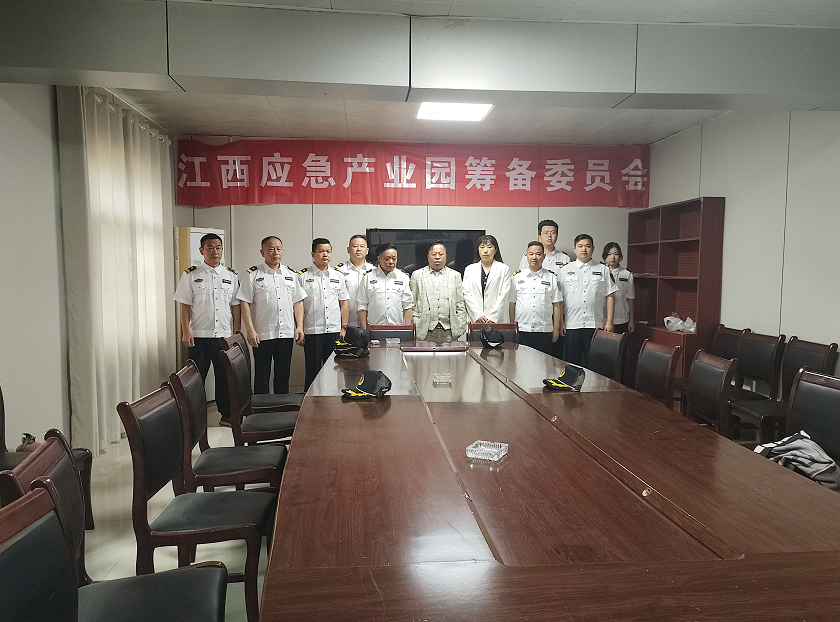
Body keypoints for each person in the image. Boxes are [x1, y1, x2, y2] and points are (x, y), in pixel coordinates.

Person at [174, 233, 240, 425]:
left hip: (223, 336)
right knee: (195, 379)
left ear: (222, 250)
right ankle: (194, 419)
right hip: (199, 336)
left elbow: (235, 305)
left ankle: (226, 414)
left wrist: (236, 331)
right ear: (201, 250)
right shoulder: (191, 275)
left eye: (218, 248)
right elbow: (185, 305)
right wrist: (186, 331)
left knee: (225, 377)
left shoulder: (231, 275)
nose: (215, 252)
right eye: (210, 248)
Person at [237, 236, 305, 395]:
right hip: (262, 334)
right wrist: (250, 330)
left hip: (285, 333)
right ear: (263, 252)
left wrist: (299, 327)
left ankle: (282, 406)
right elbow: (244, 303)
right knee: (262, 375)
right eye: (271, 249)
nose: (276, 253)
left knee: (283, 375)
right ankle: (262, 407)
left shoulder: (291, 274)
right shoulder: (253, 274)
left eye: (279, 249)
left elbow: (298, 302)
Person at [557, 234, 618, 367]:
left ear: (593, 249)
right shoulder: (565, 270)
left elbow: (610, 296)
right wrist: (561, 322)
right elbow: (559, 299)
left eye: (587, 246)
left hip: (595, 324)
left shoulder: (603, 269)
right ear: (574, 249)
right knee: (572, 364)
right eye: (580, 246)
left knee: (595, 364)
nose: (584, 249)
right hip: (572, 324)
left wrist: (609, 322)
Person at [298, 238, 349, 391]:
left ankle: (332, 401)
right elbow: (298, 304)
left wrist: (343, 327)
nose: (325, 254)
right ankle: (311, 402)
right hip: (313, 331)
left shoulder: (338, 276)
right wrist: (299, 328)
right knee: (312, 371)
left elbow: (344, 303)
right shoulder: (302, 276)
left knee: (334, 370)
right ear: (313, 254)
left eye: (328, 251)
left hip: (333, 330)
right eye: (321, 251)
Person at [509, 241, 563, 355]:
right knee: (521, 362)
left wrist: (556, 328)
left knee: (543, 363)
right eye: (531, 254)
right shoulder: (516, 277)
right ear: (526, 256)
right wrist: (512, 328)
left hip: (544, 330)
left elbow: (557, 304)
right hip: (522, 329)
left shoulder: (552, 277)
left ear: (544, 256)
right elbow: (512, 304)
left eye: (538, 254)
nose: (534, 257)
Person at [410, 240, 468, 342]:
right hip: (424, 331)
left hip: (450, 331)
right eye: (434, 254)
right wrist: (416, 322)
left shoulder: (455, 276)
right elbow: (412, 303)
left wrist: (460, 326)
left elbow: (460, 304)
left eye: (441, 254)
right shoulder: (417, 275)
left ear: (446, 256)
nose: (437, 257)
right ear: (428, 256)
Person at [356, 243, 414, 328]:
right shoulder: (368, 277)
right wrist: (365, 330)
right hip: (374, 328)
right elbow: (362, 306)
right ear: (379, 259)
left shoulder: (403, 277)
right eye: (387, 259)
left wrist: (406, 329)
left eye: (394, 259)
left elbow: (408, 306)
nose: (391, 262)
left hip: (397, 328)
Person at [462, 235, 512, 324]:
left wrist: (493, 317)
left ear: (495, 250)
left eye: (489, 247)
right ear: (478, 250)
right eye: (482, 247)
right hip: (476, 320)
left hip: (498, 320)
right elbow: (467, 294)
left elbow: (504, 295)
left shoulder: (504, 269)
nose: (485, 250)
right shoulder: (469, 269)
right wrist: (478, 315)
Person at [333, 234, 374, 328]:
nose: (359, 249)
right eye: (355, 246)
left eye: (362, 246)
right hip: (345, 323)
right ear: (348, 250)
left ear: (367, 250)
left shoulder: (374, 271)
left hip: (370, 322)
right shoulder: (338, 272)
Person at [603, 242, 635, 334]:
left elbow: (630, 299)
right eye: (609, 254)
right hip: (603, 319)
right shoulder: (600, 273)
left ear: (620, 256)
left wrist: (632, 321)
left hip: (622, 319)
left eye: (616, 254)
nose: (612, 257)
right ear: (605, 256)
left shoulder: (627, 274)